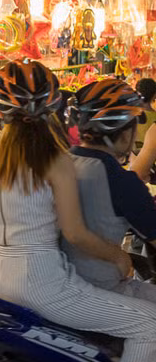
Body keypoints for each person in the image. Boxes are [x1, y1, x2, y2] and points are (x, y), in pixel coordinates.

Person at [0, 62, 156, 362]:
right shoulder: (55, 162)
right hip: (42, 285)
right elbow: (74, 233)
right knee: (149, 325)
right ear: (52, 107)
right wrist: (119, 259)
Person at [64, 81, 156, 294]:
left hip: (65, 281)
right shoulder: (122, 181)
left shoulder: (59, 164)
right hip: (100, 288)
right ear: (126, 135)